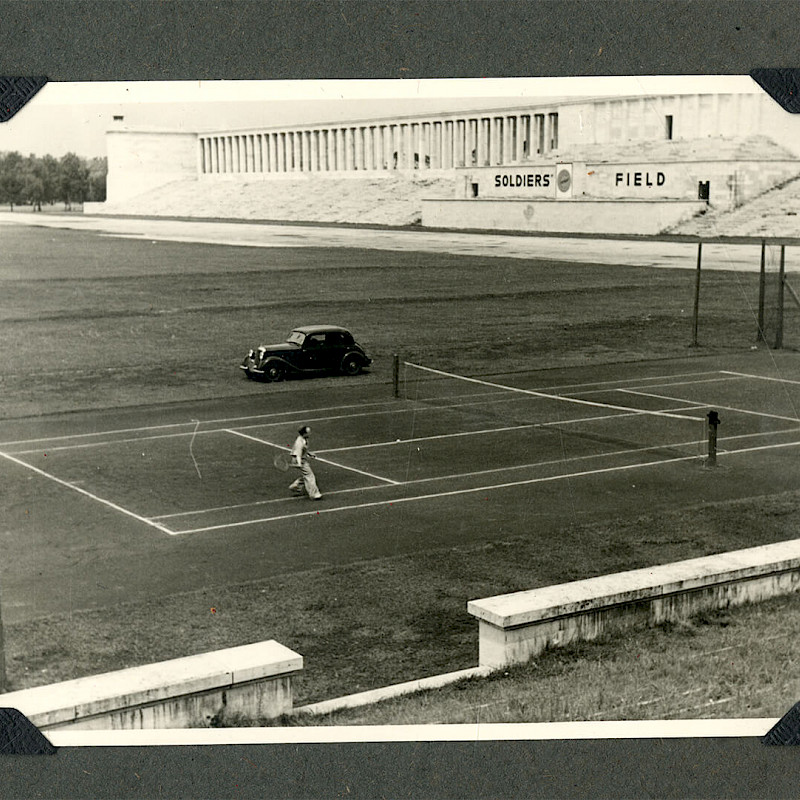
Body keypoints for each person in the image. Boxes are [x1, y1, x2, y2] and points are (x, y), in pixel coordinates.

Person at [289, 425, 323, 500]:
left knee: (306, 474)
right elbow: (298, 454)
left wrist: (310, 453)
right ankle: (314, 494)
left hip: (302, 459)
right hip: (299, 460)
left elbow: (304, 449)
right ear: (304, 433)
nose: (310, 433)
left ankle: (296, 486)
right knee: (310, 476)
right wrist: (299, 463)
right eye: (308, 432)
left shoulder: (304, 439)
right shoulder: (299, 442)